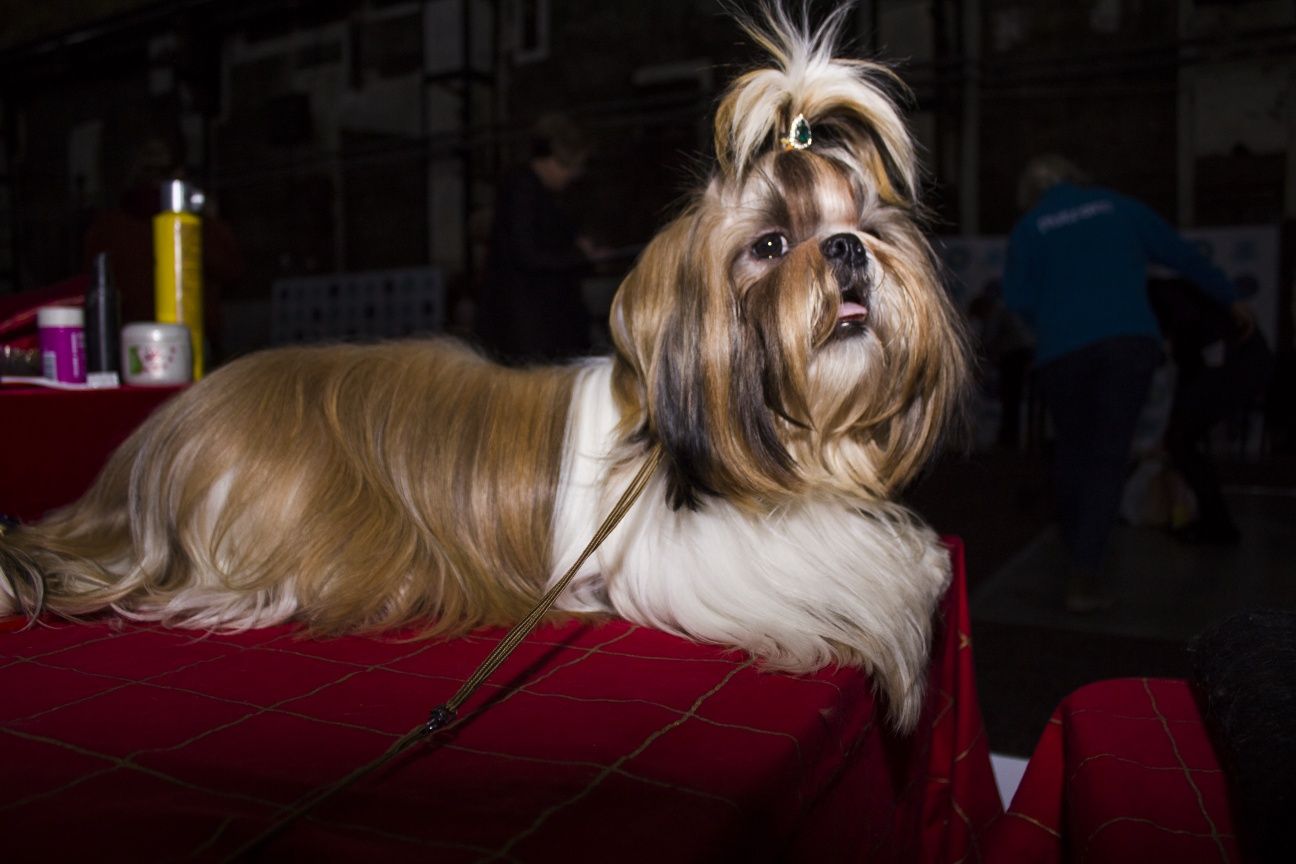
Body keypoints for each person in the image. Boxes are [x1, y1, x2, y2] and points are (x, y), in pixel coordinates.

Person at [1002, 155, 1255, 612]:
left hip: (1062, 353)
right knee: (1107, 455)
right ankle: (1085, 571)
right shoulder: (1119, 206)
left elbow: (1017, 299)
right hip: (1126, 344)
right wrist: (1230, 297)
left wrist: (1057, 319)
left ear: (1031, 194)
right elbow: (1181, 255)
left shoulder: (1030, 227)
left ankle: (1077, 547)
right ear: (1079, 177)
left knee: (1072, 452)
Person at [476, 113, 604, 363]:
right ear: (556, 160)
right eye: (572, 166)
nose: (573, 176)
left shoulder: (535, 192)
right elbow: (528, 255)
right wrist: (578, 256)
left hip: (538, 323)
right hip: (528, 326)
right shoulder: (522, 189)